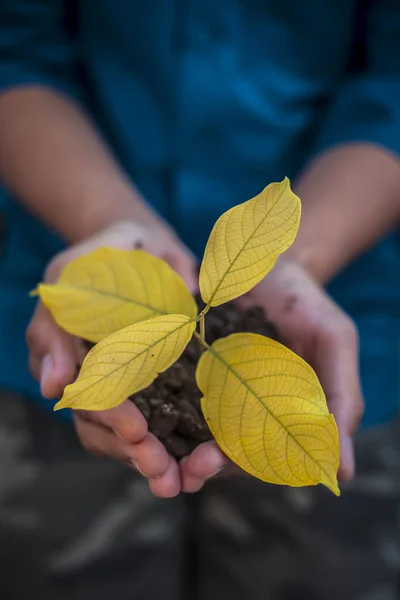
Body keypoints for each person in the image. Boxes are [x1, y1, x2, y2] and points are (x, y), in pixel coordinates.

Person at [0, 1, 399, 598]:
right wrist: (104, 221)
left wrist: (297, 261)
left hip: (344, 294)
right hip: (50, 296)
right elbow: (14, 51)